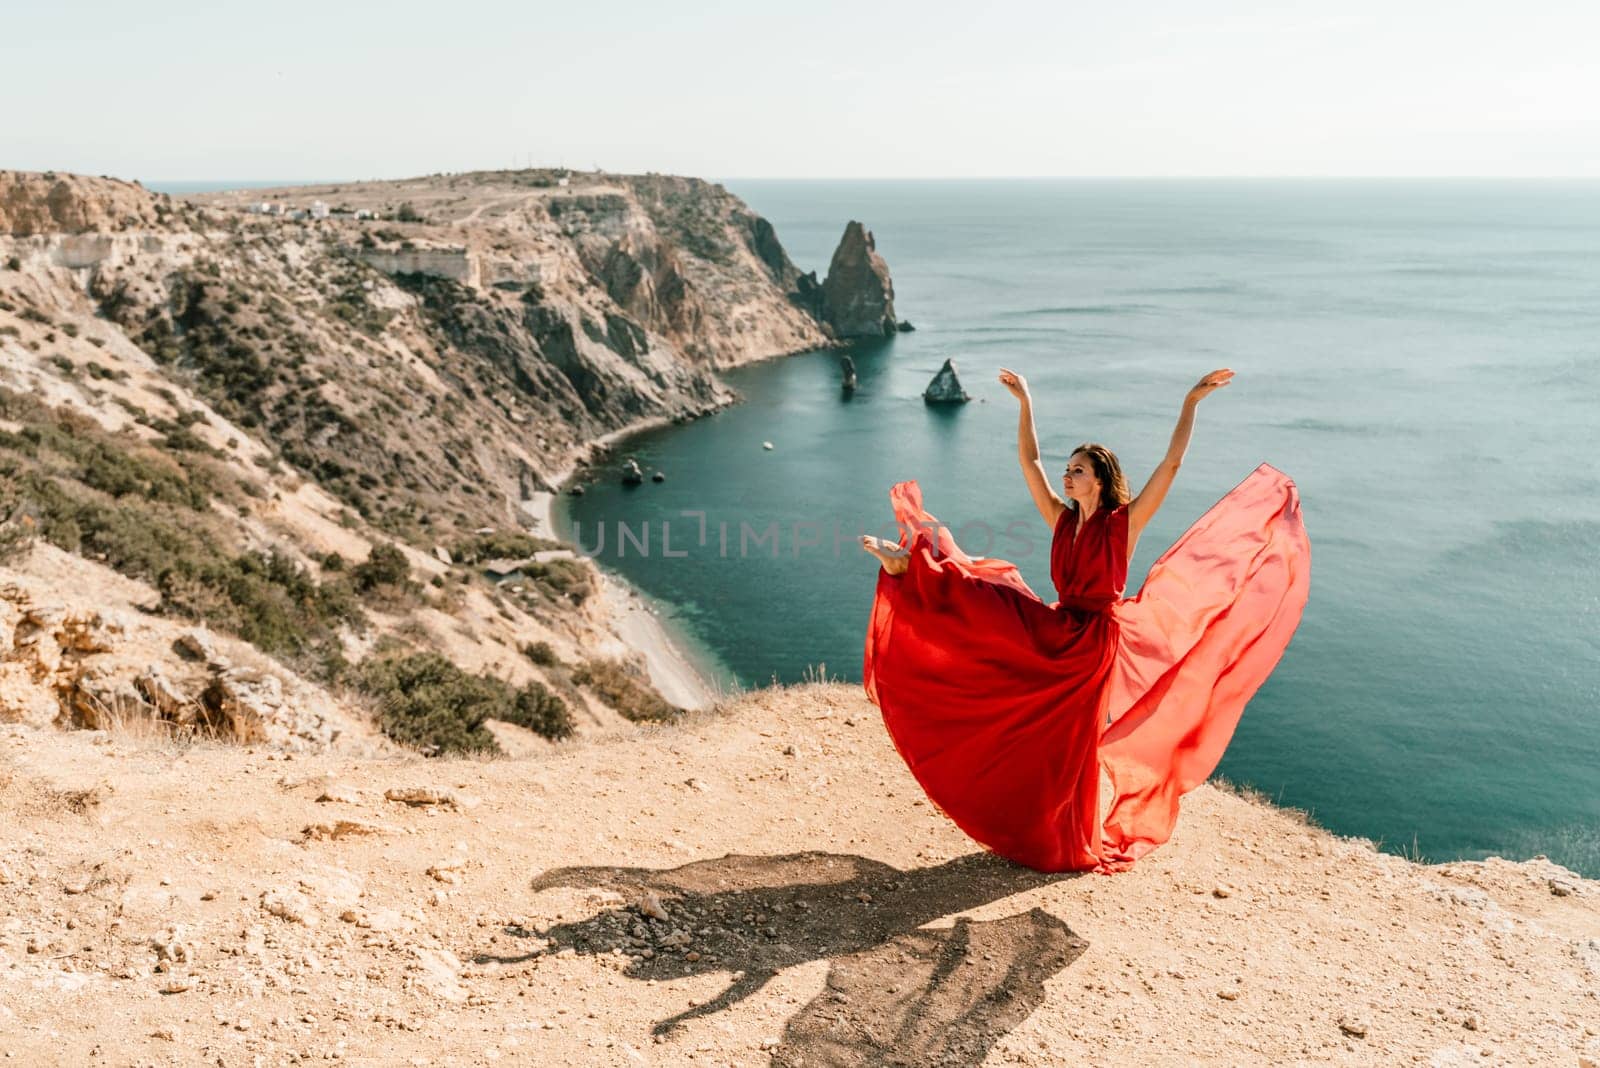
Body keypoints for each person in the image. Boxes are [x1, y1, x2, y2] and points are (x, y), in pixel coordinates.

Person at [860, 368, 1310, 872]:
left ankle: (1065, 840)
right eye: (1068, 469)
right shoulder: (1061, 518)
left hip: (1093, 645)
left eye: (1076, 470)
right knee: (990, 599)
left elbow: (1173, 462)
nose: (1066, 476)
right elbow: (1029, 460)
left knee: (1069, 748)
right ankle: (914, 567)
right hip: (1057, 628)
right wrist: (1025, 401)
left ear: (1098, 479)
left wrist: (1190, 402)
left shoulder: (1125, 523)